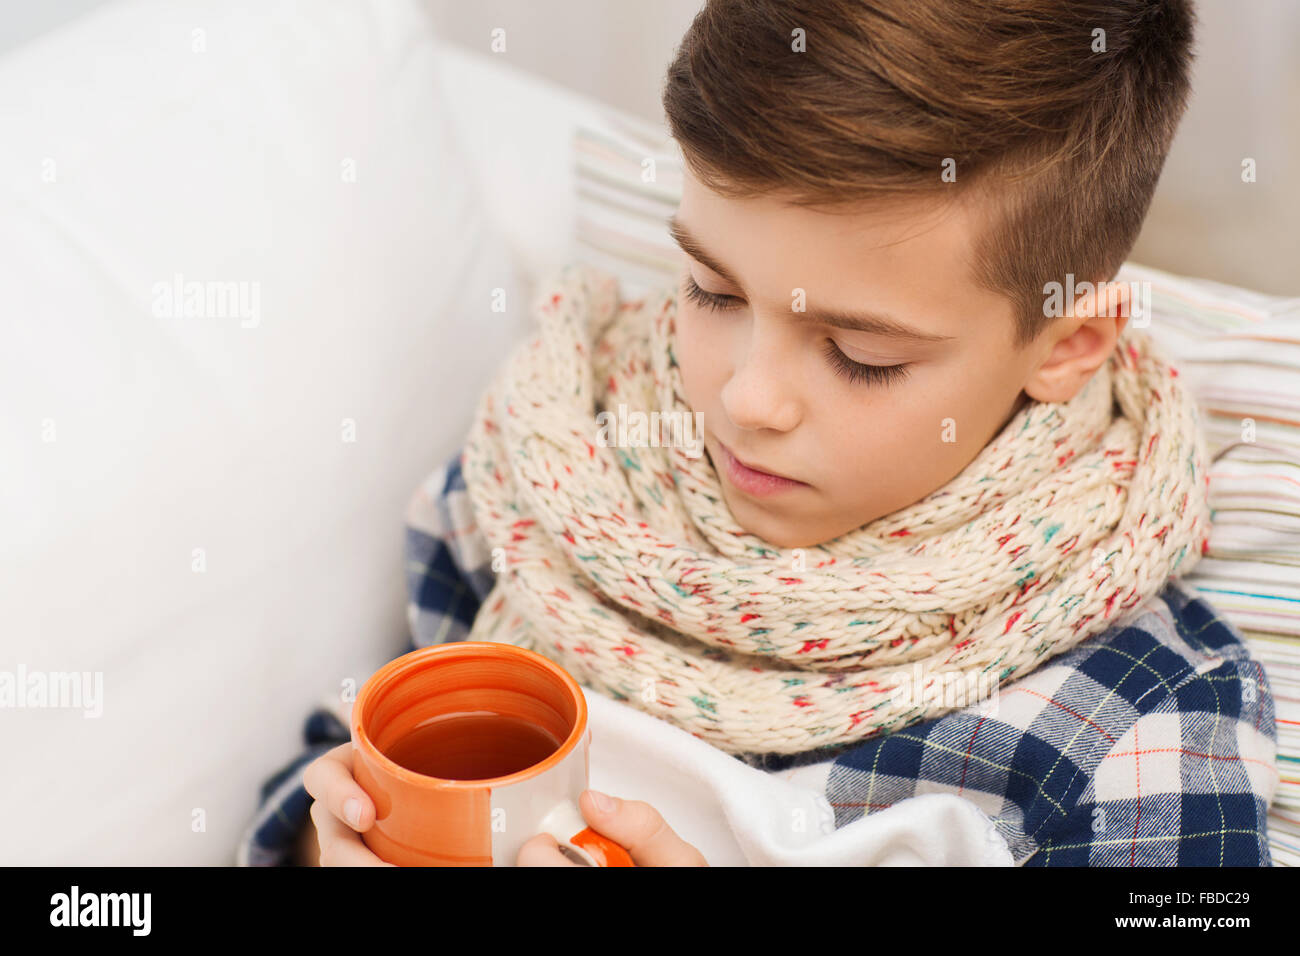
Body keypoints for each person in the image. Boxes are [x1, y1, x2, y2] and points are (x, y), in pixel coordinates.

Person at [239, 0, 1278, 867]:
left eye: (860, 353)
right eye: (709, 289)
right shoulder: (539, 480)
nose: (747, 398)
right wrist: (326, 843)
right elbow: (335, 765)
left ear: (1064, 346)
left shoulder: (1144, 718)